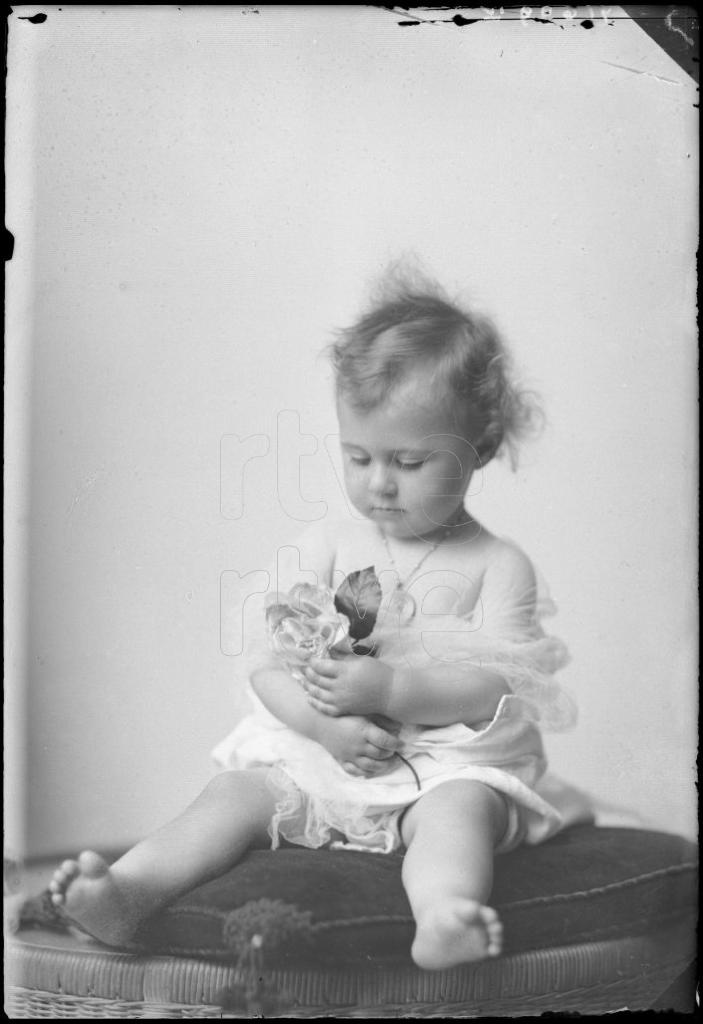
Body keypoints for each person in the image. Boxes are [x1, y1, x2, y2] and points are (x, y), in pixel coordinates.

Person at [49, 273, 577, 971]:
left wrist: (390, 692)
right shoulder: (328, 546)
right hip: (317, 748)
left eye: (408, 461)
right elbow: (267, 666)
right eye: (357, 457)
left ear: (477, 448)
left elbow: (493, 687)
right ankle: (128, 891)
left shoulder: (499, 563)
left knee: (458, 816)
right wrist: (321, 726)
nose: (378, 483)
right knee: (234, 792)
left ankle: (443, 915)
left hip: (440, 762)